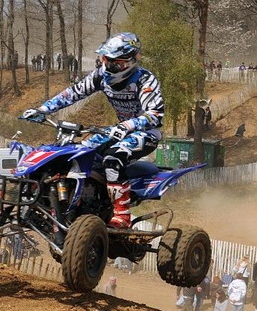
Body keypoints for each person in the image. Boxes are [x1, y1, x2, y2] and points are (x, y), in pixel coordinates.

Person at [21, 32, 164, 229]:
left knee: (114, 158)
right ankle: (78, 205)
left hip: (146, 134)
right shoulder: (101, 76)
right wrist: (43, 109)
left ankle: (121, 215)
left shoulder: (145, 80)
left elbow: (155, 115)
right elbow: (73, 93)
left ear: (126, 63)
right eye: (104, 59)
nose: (106, 64)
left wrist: (128, 125)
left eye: (112, 61)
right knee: (80, 152)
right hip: (116, 130)